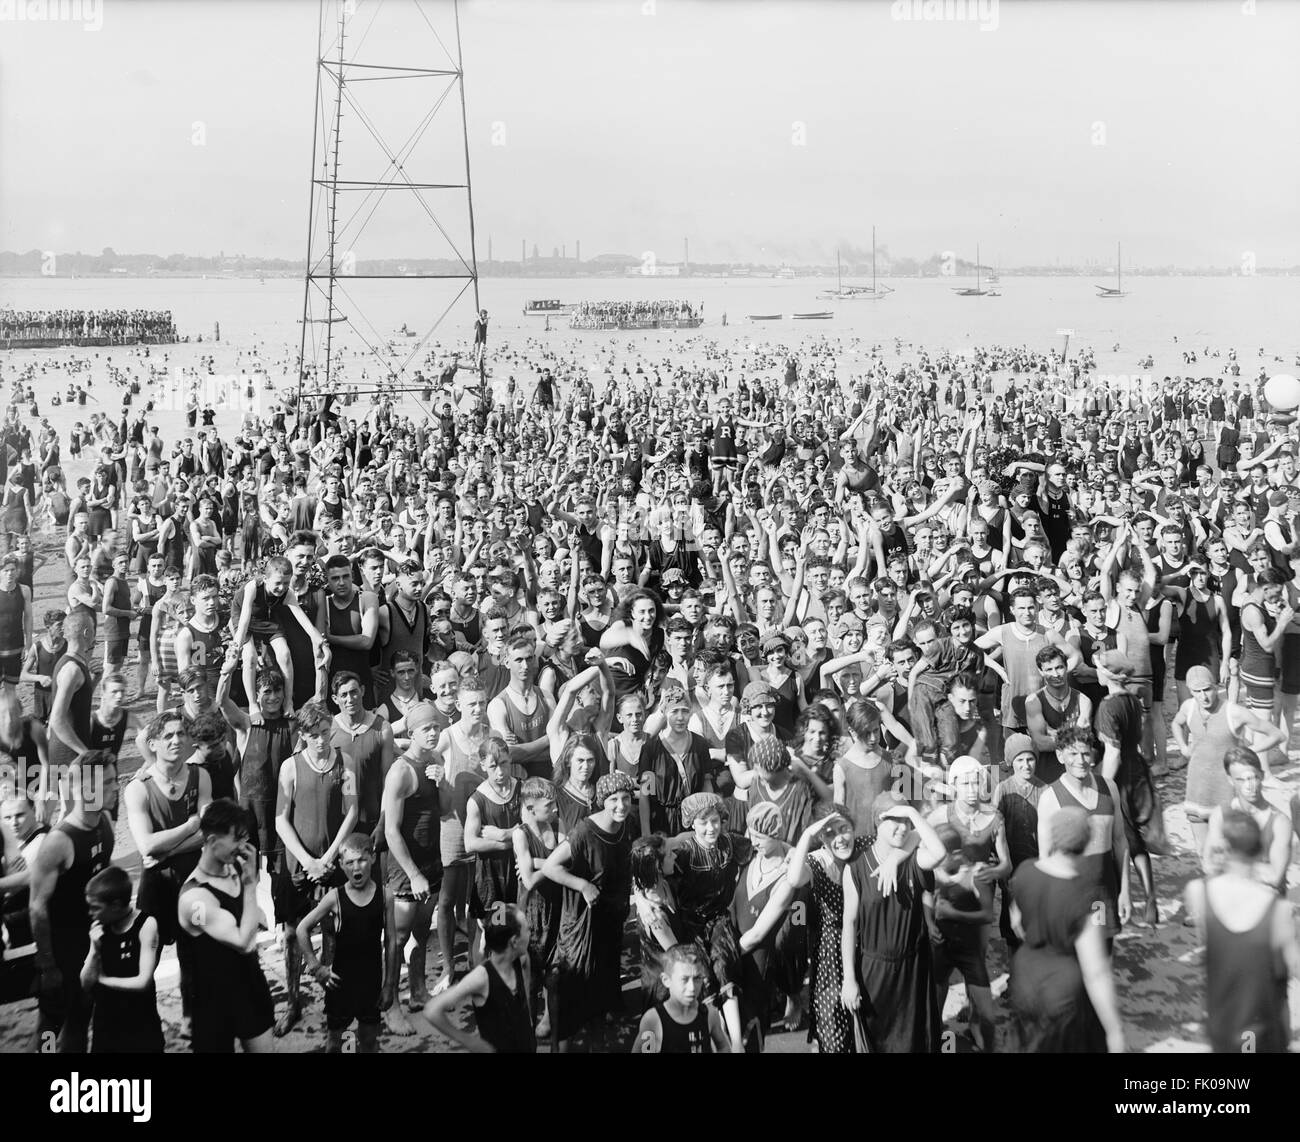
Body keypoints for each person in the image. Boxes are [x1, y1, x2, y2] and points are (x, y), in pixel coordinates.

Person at [1008, 806, 1127, 1052]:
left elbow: (1017, 923)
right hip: (1063, 990)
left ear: (1053, 836)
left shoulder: (1025, 871)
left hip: (1025, 979)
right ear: (1086, 841)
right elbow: (1096, 970)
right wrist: (1114, 1030)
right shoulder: (1091, 895)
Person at [273, 700, 359, 1035]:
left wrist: (329, 857)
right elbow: (281, 819)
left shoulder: (346, 763)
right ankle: (293, 1002)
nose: (322, 740)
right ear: (303, 735)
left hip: (332, 864)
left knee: (333, 933)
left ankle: (331, 996)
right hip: (299, 866)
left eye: (326, 732)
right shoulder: (290, 768)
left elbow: (351, 811)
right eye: (314, 735)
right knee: (293, 936)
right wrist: (308, 860)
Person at [841, 789, 947, 1053]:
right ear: (877, 820)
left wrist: (912, 813)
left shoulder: (914, 859)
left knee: (914, 1043)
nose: (902, 827)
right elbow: (849, 925)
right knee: (876, 1042)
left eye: (906, 822)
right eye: (893, 820)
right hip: (874, 971)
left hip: (912, 970)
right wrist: (849, 979)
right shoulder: (856, 869)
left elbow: (940, 852)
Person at [123, 710, 211, 1023]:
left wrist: (170, 846)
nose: (176, 740)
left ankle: (192, 1020)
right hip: (156, 884)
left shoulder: (201, 776)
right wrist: (190, 828)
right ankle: (140, 1022)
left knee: (195, 954)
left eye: (181, 734)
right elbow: (146, 846)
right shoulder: (138, 787)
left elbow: (209, 834)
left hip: (193, 883)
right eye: (168, 736)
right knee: (146, 952)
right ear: (154, 744)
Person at [1185, 810, 1298, 1054]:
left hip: (1222, 1022)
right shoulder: (1279, 910)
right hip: (1267, 1025)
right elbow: (1291, 968)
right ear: (1259, 850)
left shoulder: (1197, 892)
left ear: (1224, 848)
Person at [28, 751, 118, 1053]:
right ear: (83, 789)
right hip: (63, 952)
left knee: (80, 1019)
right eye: (107, 783)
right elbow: (37, 907)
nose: (115, 788)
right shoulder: (59, 841)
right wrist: (48, 965)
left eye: (114, 780)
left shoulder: (105, 822)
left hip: (92, 944)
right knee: (51, 1029)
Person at [542, 770, 635, 1051]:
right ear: (602, 801)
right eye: (614, 800)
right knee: (572, 987)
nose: (621, 805)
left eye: (626, 798)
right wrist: (582, 884)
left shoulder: (625, 825)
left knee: (602, 986)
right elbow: (549, 867)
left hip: (610, 918)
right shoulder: (584, 831)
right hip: (582, 922)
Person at [176, 798, 275, 1053]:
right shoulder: (194, 899)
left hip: (249, 986)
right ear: (211, 842)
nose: (243, 847)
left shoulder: (233, 870)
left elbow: (255, 919)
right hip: (212, 1003)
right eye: (236, 840)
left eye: (245, 838)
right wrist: (251, 885)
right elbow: (243, 941)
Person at [294, 833, 399, 1053]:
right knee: (337, 1043)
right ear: (341, 865)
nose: (356, 867)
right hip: (340, 983)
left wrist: (390, 984)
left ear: (372, 858)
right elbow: (302, 929)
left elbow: (391, 942)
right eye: (349, 862)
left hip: (371, 982)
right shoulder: (335, 897)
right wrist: (315, 966)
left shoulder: (385, 895)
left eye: (361, 859)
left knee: (369, 1040)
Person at [380, 701, 443, 1033]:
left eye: (436, 727)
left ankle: (418, 990)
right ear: (412, 732)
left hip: (432, 863)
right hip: (407, 871)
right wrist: (415, 874)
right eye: (426, 729)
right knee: (397, 937)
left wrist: (443, 780)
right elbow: (391, 830)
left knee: (421, 931)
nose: (433, 733)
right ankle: (389, 1004)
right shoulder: (401, 771)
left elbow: (444, 810)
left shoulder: (434, 762)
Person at [1036, 726, 1131, 943]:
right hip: (1069, 896)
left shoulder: (1110, 788)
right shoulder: (1050, 798)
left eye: (1086, 753)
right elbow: (1045, 857)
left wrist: (1125, 890)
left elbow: (1119, 840)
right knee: (1073, 962)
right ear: (1060, 756)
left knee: (1103, 956)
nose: (1080, 760)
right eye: (1073, 753)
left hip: (1104, 894)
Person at [79, 865, 164, 1054]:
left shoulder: (146, 924)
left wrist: (103, 980)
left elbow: (143, 981)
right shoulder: (99, 928)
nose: (91, 913)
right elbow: (85, 983)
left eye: (95, 907)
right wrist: (94, 950)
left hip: (141, 1022)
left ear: (116, 905)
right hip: (106, 1022)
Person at [1202, 747, 1292, 895]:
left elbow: (1275, 876)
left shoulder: (1279, 822)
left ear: (1262, 776)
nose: (1250, 786)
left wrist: (1229, 866)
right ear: (1230, 780)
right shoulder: (1220, 814)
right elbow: (1208, 864)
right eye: (1240, 779)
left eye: (1254, 777)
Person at [633, 942, 732, 1053]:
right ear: (666, 980)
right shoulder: (653, 1020)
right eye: (684, 979)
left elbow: (723, 1046)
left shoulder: (710, 1015)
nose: (692, 987)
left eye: (697, 978)